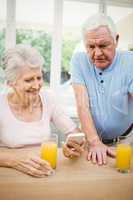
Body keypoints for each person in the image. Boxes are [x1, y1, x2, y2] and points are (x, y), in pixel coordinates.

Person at [0, 44, 84, 177]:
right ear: (11, 82)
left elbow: (74, 133)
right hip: (9, 175)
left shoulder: (48, 99)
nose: (37, 85)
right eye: (28, 80)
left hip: (44, 170)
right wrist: (14, 159)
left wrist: (73, 146)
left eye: (39, 78)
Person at [71, 13, 133, 166]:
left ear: (116, 40)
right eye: (91, 47)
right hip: (91, 141)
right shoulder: (79, 61)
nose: (97, 54)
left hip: (126, 143)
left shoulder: (130, 61)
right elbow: (82, 105)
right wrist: (94, 142)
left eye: (103, 45)